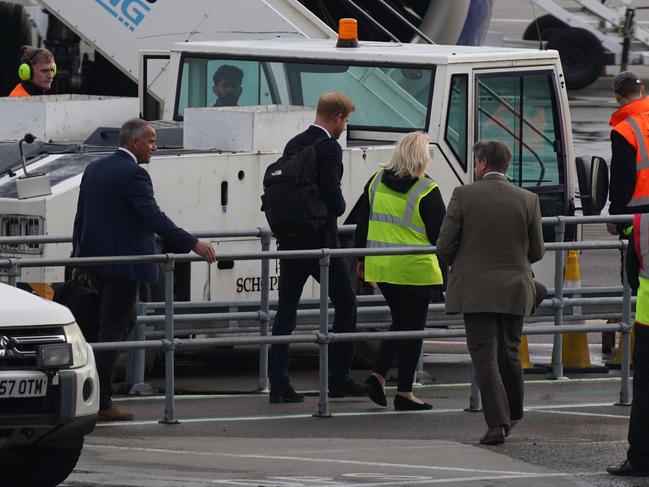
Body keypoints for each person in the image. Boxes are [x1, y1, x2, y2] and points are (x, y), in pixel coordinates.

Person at [72, 118, 216, 421]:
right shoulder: (134, 174)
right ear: (134, 142)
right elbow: (152, 216)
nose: (154, 147)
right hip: (125, 266)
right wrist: (193, 243)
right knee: (113, 330)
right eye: (151, 141)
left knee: (117, 325)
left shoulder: (95, 168)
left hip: (98, 263)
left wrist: (78, 259)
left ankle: (97, 395)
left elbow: (81, 216)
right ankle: (100, 401)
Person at [436, 140, 544, 445]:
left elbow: (444, 245)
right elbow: (536, 250)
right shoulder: (528, 199)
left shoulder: (464, 195)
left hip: (476, 289)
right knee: (509, 352)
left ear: (482, 164)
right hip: (515, 288)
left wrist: (466, 262)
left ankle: (497, 422)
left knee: (484, 355)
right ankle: (514, 413)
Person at [269, 92, 365, 403]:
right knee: (347, 304)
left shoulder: (294, 143)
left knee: (285, 311)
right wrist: (339, 205)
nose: (344, 127)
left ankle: (279, 384)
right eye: (345, 120)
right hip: (321, 243)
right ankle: (339, 378)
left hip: (290, 241)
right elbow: (333, 198)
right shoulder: (329, 148)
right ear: (337, 116)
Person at [354, 131, 445, 411]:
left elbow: (362, 222)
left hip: (382, 267)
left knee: (400, 322)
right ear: (422, 156)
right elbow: (439, 234)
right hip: (415, 270)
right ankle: (404, 391)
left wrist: (361, 260)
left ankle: (378, 376)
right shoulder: (427, 189)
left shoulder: (376, 181)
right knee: (413, 328)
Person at [608, 212, 649, 476]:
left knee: (644, 391)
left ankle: (640, 458)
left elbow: (631, 276)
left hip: (648, 320)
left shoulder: (641, 223)